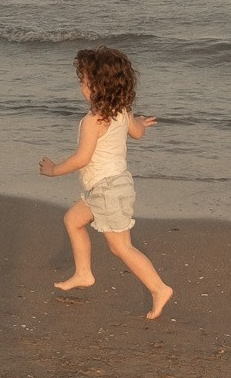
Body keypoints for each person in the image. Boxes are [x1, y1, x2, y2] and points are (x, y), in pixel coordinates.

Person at [38, 46, 175, 319]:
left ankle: (159, 288)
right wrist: (141, 124)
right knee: (73, 220)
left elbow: (81, 159)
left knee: (121, 247)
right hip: (105, 188)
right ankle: (84, 273)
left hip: (108, 190)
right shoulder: (122, 111)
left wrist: (53, 170)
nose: (81, 86)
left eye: (83, 81)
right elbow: (136, 133)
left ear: (97, 87)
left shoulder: (93, 121)